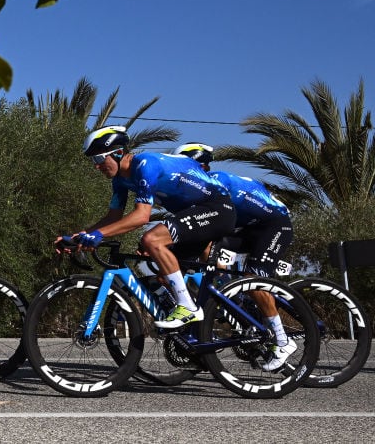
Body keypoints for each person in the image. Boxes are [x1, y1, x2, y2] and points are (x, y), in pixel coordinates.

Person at [66, 126, 237, 329]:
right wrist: (80, 236)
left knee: (152, 239)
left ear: (118, 153)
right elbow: (113, 217)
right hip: (195, 213)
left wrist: (98, 235)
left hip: (218, 209)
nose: (96, 166)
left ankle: (188, 308)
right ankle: (192, 330)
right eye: (93, 161)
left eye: (99, 159)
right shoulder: (120, 181)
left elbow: (141, 216)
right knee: (158, 268)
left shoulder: (146, 164)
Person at [174, 142, 297, 371]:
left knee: (252, 278)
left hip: (274, 225)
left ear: (198, 167)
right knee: (204, 246)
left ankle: (282, 340)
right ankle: (229, 297)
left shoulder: (218, 182)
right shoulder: (199, 190)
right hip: (248, 228)